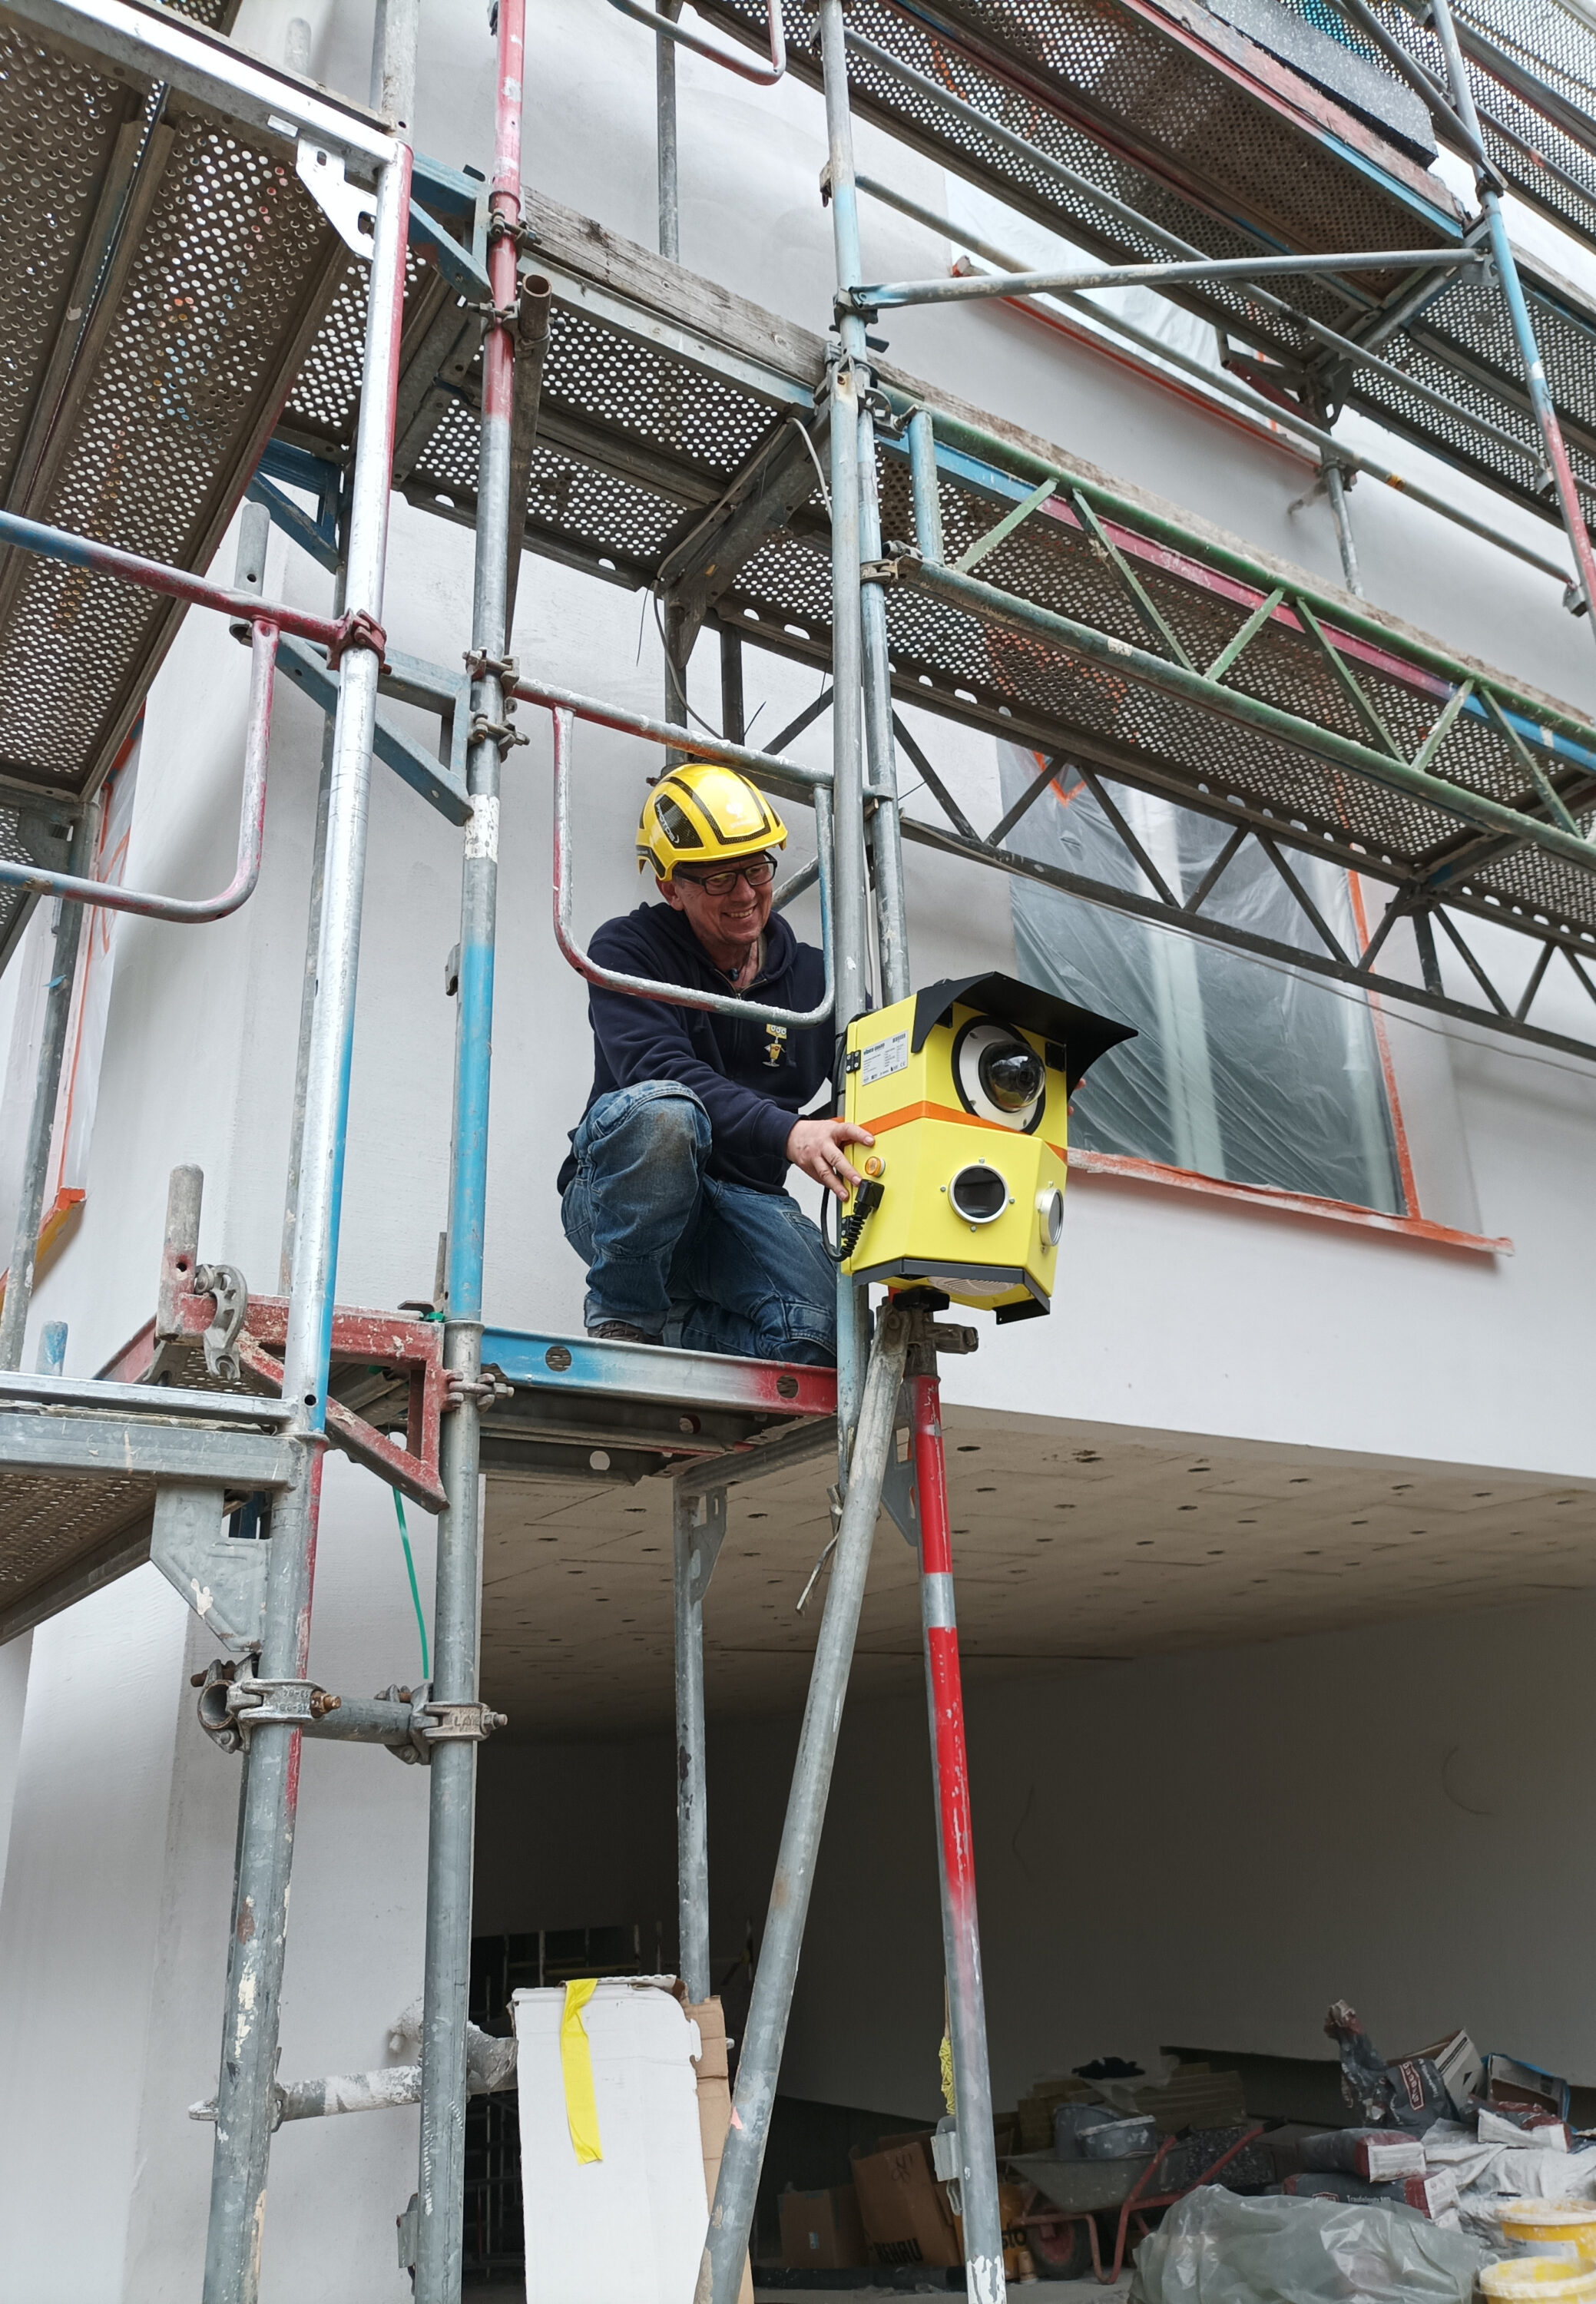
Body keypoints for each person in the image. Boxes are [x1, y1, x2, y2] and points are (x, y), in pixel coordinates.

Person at [558, 760, 873, 1363]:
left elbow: (880, 1072)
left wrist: (988, 1083)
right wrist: (788, 1131)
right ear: (671, 887)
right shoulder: (627, 949)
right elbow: (662, 1066)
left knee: (827, 1338)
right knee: (666, 1113)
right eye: (721, 878)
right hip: (622, 1196)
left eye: (757, 869)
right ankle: (627, 1315)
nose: (747, 894)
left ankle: (676, 1322)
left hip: (744, 1203)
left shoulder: (818, 979)